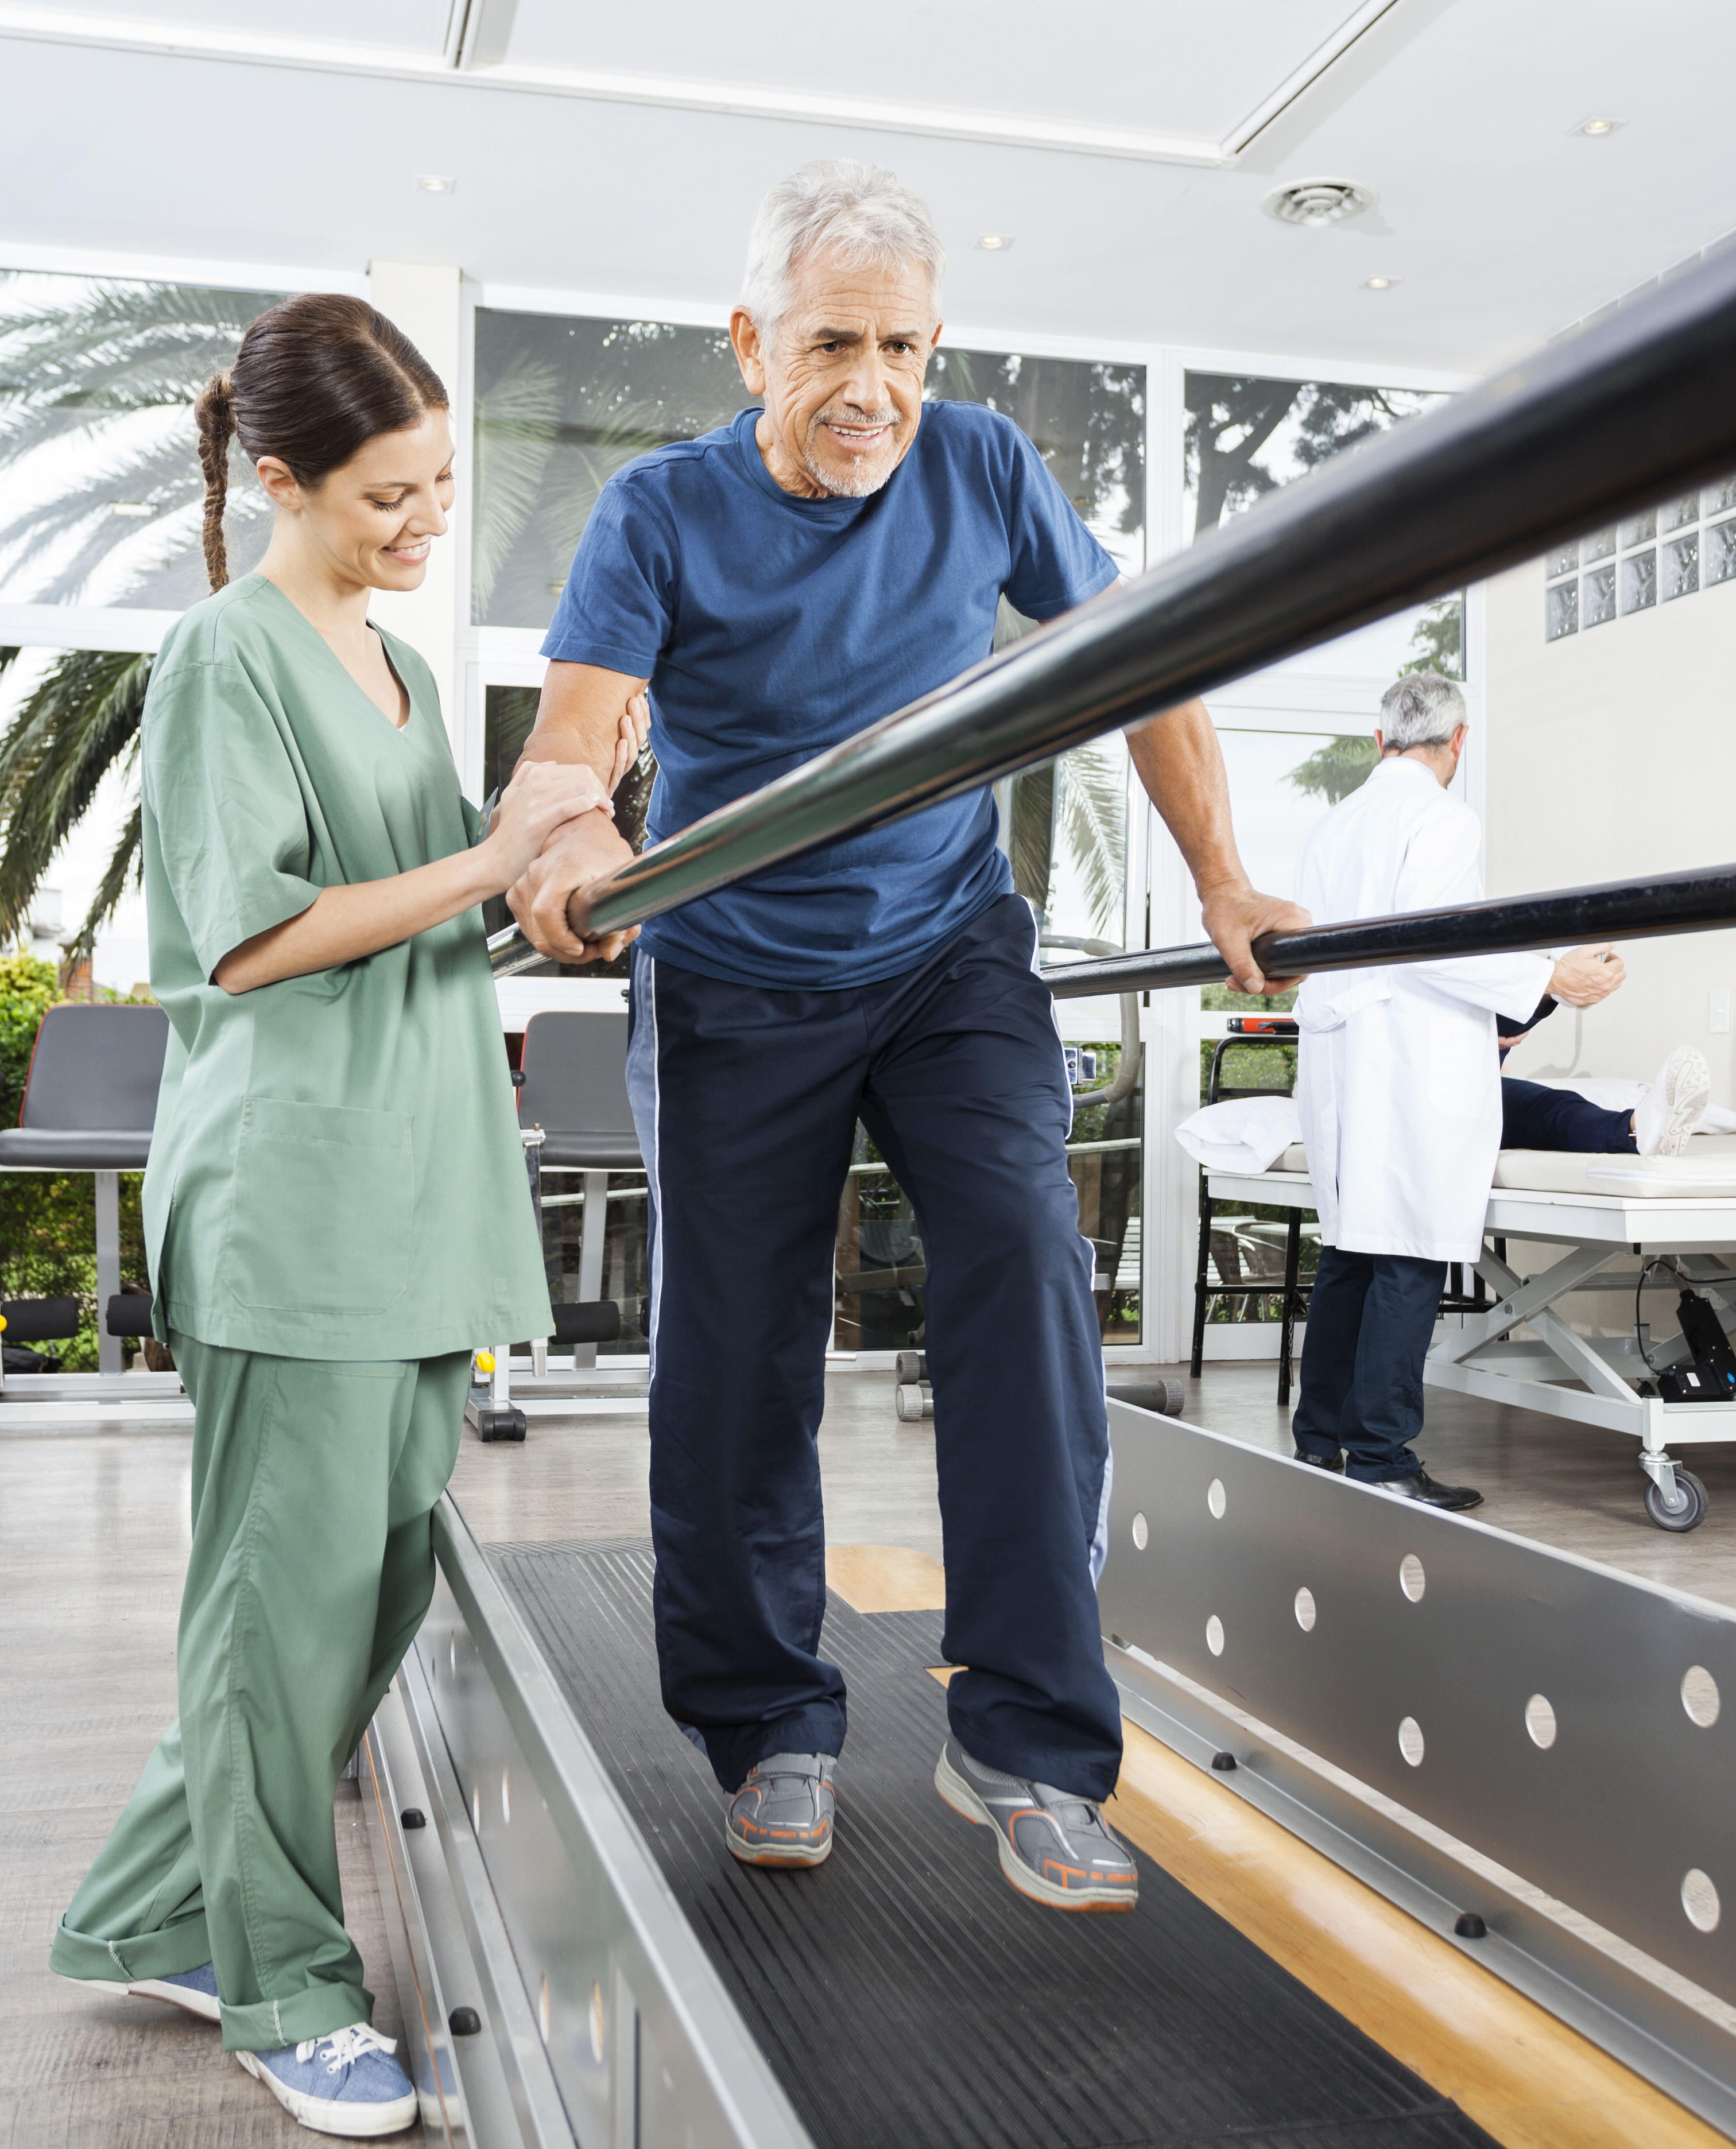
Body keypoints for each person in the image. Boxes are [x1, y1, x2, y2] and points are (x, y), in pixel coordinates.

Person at [503, 158, 1313, 1915]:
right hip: (729, 969)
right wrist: (573, 839)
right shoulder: (663, 511)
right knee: (735, 1356)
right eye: (830, 348)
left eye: (906, 348)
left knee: (1025, 1264)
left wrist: (1231, 881)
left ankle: (1028, 1739)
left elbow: (1142, 663)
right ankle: (771, 1723)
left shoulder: (984, 468)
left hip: (950, 953)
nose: (872, 388)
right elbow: (573, 747)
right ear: (749, 347)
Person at [47, 293, 617, 2142]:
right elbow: (253, 935)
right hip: (295, 1199)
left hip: (416, 1185)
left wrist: (549, 885)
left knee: (362, 1602)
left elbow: (431, 911)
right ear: (280, 479)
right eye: (388, 494)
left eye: (441, 483)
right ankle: (284, 1984)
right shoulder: (224, 658)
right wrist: (488, 857)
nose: (424, 519)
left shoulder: (401, 666)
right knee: (275, 1612)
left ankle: (154, 1906)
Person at [1288, 674, 1620, 1508]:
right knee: (1408, 1252)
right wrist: (1553, 974)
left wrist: (1510, 1008)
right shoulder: (1441, 818)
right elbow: (1438, 940)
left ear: (1379, 742)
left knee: (1351, 1252)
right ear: (1458, 742)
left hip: (1346, 1055)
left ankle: (1320, 1443)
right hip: (1404, 1065)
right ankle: (1384, 1460)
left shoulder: (1334, 825)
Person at [1497, 997, 1711, 1155]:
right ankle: (1636, 1129)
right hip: (1474, 1078)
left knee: (1555, 1107)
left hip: (1492, 1076)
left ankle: (1638, 1127)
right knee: (1553, 1114)